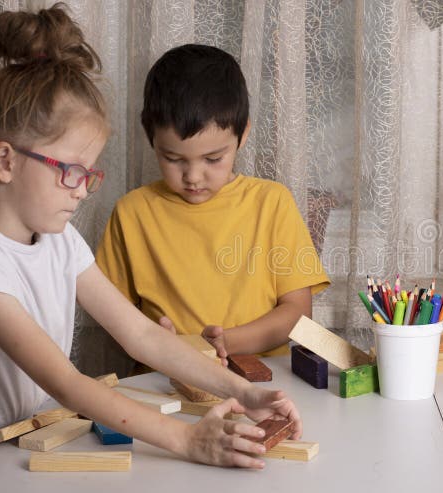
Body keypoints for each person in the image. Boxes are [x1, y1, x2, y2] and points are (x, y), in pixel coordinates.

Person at [0, 4, 301, 465]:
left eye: (89, 175)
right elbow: (67, 383)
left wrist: (243, 392)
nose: (83, 191)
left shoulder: (59, 241)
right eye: (70, 172)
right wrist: (187, 441)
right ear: (5, 161)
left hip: (14, 446)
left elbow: (141, 335)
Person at [95, 43, 329, 362]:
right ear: (151, 138)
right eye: (173, 158)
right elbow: (111, 316)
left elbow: (298, 316)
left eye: (213, 158)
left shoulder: (272, 203)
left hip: (263, 383)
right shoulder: (132, 213)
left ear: (242, 135)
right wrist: (150, 339)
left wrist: (225, 343)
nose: (193, 176)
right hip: (166, 386)